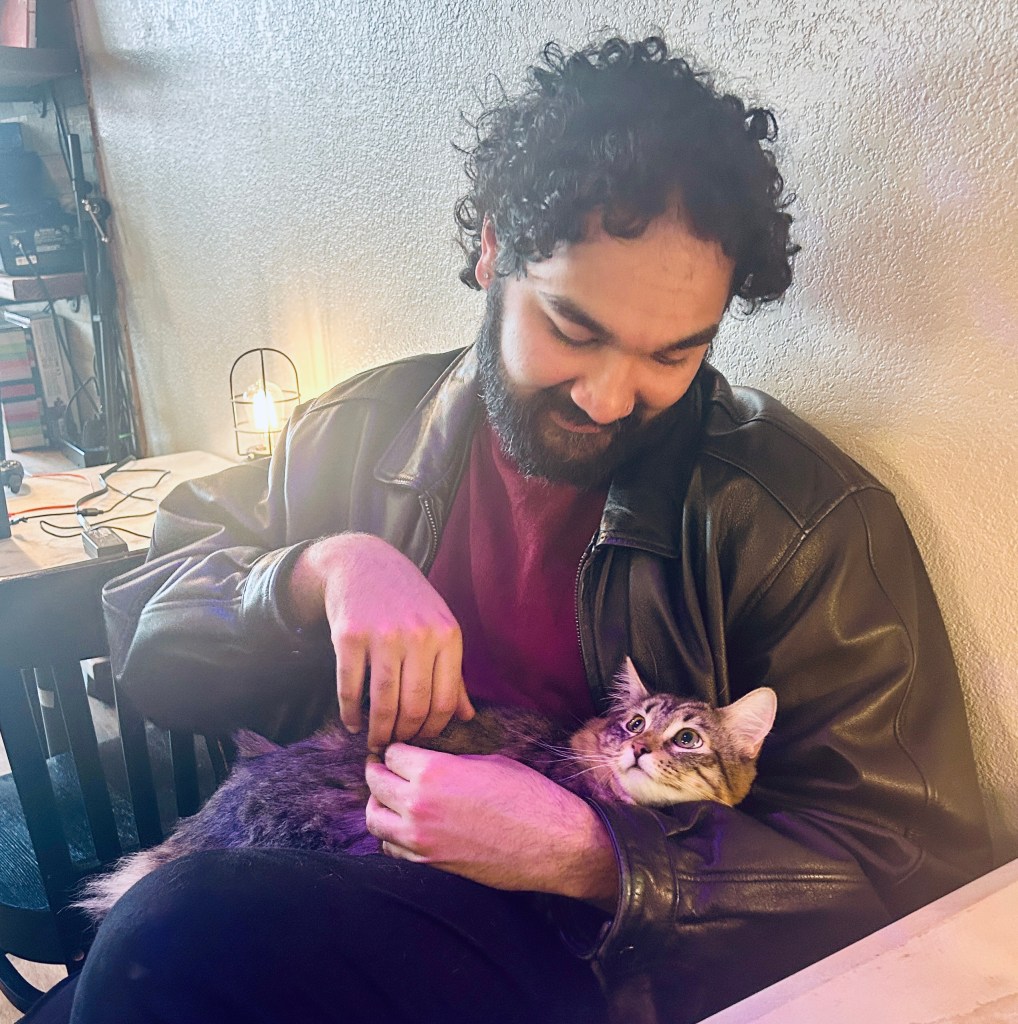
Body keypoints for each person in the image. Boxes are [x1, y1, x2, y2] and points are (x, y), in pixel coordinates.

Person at [25, 36, 992, 1024]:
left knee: (170, 933)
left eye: (673, 355)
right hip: (337, 866)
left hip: (589, 956)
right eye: (573, 328)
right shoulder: (353, 430)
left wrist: (597, 858)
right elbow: (150, 648)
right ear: (492, 248)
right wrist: (320, 570)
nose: (609, 397)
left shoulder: (799, 522)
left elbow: (909, 868)